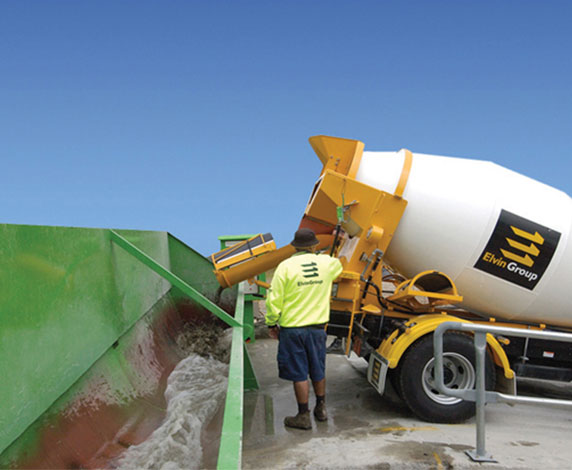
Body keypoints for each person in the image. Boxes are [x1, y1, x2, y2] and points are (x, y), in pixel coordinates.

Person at [265, 228, 343, 430]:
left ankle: (303, 415)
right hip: (317, 329)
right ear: (314, 245)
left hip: (292, 330)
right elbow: (339, 266)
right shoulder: (326, 263)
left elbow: (274, 299)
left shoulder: (285, 267)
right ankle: (321, 409)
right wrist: (340, 240)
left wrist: (271, 323)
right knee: (318, 369)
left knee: (299, 373)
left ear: (294, 246)